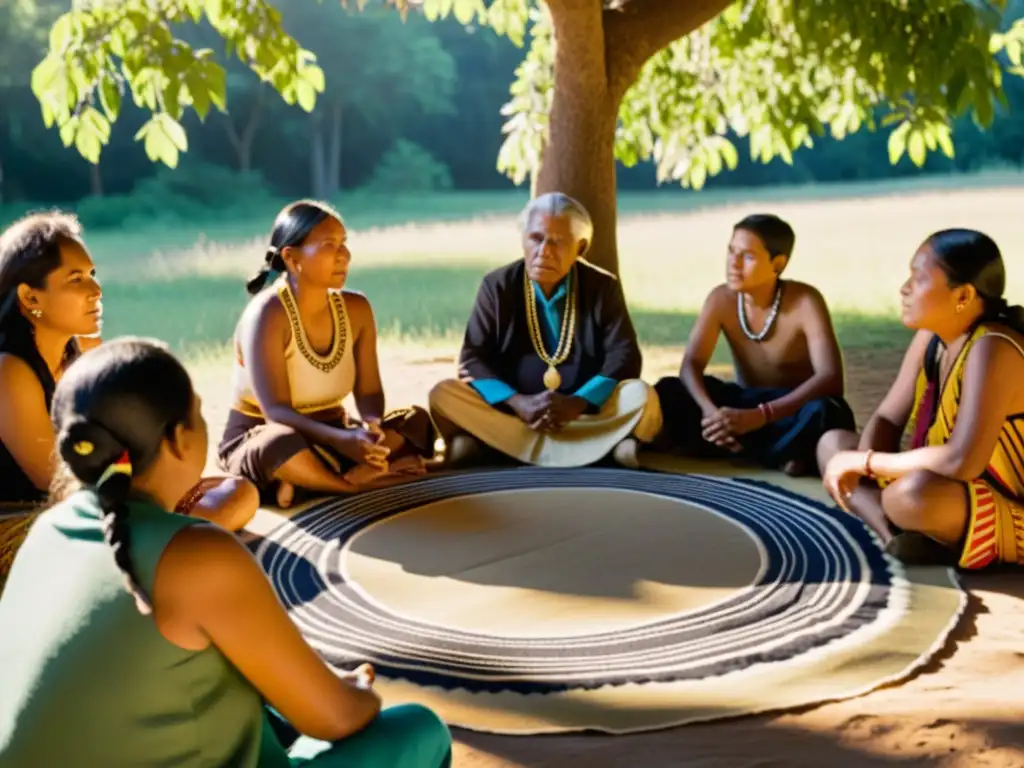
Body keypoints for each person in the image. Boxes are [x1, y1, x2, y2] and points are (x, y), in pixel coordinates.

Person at [0, 337, 453, 767]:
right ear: (180, 439)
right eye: (199, 414)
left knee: (256, 705)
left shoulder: (46, 531)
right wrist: (355, 692)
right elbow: (337, 719)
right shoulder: (197, 553)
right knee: (415, 730)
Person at [0, 212, 254, 525]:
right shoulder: (10, 371)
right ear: (30, 296)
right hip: (41, 517)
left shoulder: (83, 350)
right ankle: (173, 542)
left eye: (92, 274)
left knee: (239, 492)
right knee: (207, 512)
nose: (96, 290)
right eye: (75, 279)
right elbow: (55, 482)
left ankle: (174, 539)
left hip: (108, 494)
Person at [817, 229, 1024, 568]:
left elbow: (963, 461)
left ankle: (893, 523)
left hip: (1004, 501)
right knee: (832, 444)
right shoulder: (933, 337)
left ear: (963, 296)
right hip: (948, 484)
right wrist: (861, 465)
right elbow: (887, 417)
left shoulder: (993, 347)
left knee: (909, 495)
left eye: (919, 278)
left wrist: (865, 464)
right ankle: (896, 536)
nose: (904, 288)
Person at [219, 200, 436, 507]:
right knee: (279, 445)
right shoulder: (268, 314)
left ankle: (309, 481)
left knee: (415, 420)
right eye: (329, 245)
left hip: (335, 435)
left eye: (344, 244)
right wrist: (342, 442)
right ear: (293, 259)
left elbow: (369, 391)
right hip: (264, 434)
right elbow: (276, 412)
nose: (344, 256)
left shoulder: (356, 309)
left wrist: (371, 428)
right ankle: (348, 485)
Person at [428, 192, 662, 468]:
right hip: (515, 417)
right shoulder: (497, 285)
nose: (544, 251)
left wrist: (578, 402)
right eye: (536, 239)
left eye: (557, 242)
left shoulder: (602, 286)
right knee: (443, 394)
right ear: (523, 240)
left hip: (583, 416)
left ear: (581, 247)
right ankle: (608, 448)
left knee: (641, 396)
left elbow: (624, 356)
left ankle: (487, 447)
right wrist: (518, 403)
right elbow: (472, 359)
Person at [653, 214, 855, 476]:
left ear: (778, 264)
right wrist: (711, 413)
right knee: (670, 390)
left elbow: (830, 379)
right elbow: (691, 364)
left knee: (827, 411)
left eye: (747, 256)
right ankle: (780, 453)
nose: (733, 264)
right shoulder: (720, 299)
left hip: (790, 410)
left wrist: (761, 416)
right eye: (731, 252)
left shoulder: (805, 301)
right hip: (743, 407)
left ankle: (747, 448)